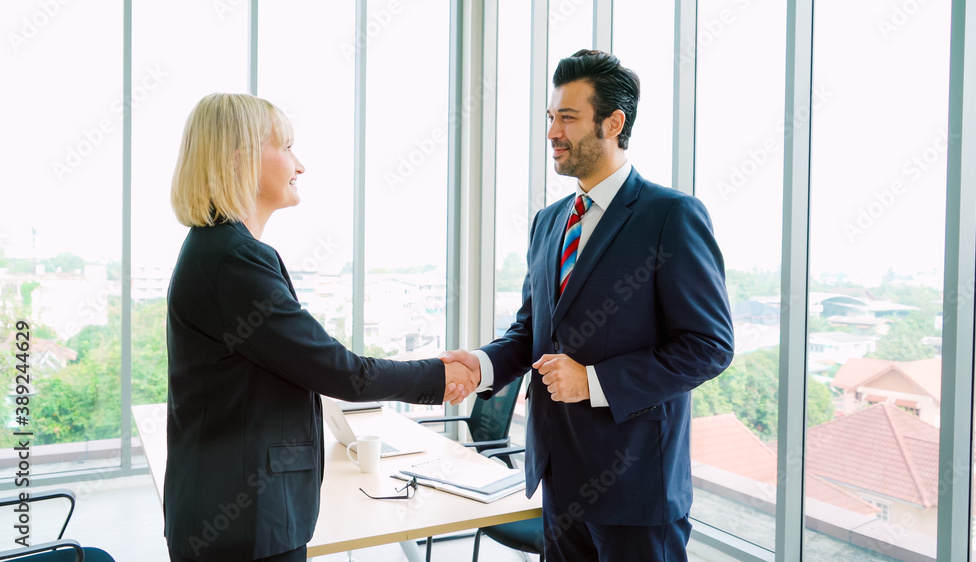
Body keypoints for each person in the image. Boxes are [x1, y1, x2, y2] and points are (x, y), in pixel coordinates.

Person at [442, 50, 734, 561]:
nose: (553, 132)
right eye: (551, 118)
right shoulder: (548, 222)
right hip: (558, 482)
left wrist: (594, 381)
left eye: (568, 118)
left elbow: (708, 347)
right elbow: (532, 331)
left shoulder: (671, 216)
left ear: (613, 123)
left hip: (638, 489)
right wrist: (483, 363)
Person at [164, 93, 478, 562]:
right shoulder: (233, 258)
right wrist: (438, 374)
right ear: (240, 159)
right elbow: (339, 371)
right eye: (287, 147)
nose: (300, 164)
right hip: (242, 525)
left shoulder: (219, 250)